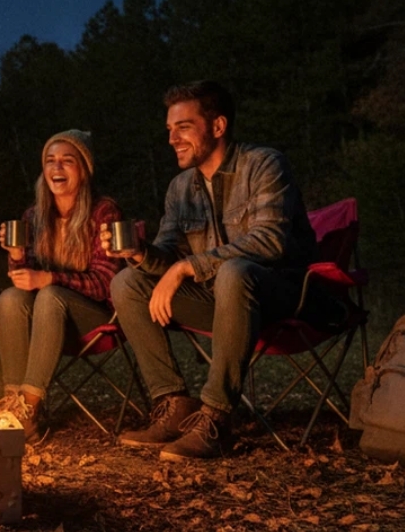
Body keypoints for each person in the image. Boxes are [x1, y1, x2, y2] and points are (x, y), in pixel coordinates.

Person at [105, 80, 329, 460]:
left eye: (184, 127)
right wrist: (141, 254)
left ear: (219, 126)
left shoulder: (264, 165)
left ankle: (216, 418)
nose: (172, 139)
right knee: (128, 281)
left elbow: (270, 242)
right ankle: (174, 404)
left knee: (234, 272)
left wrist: (186, 268)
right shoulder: (180, 188)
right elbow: (167, 254)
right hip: (220, 299)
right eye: (169, 130)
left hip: (282, 296)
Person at [0, 130, 123, 442]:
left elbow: (106, 282)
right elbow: (26, 281)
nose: (57, 168)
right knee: (11, 297)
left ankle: (28, 407)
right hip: (46, 322)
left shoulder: (102, 211)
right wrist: (16, 257)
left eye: (67, 161)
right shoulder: (34, 216)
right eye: (50, 161)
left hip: (93, 318)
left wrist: (50, 279)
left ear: (84, 169)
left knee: (50, 295)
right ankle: (12, 400)